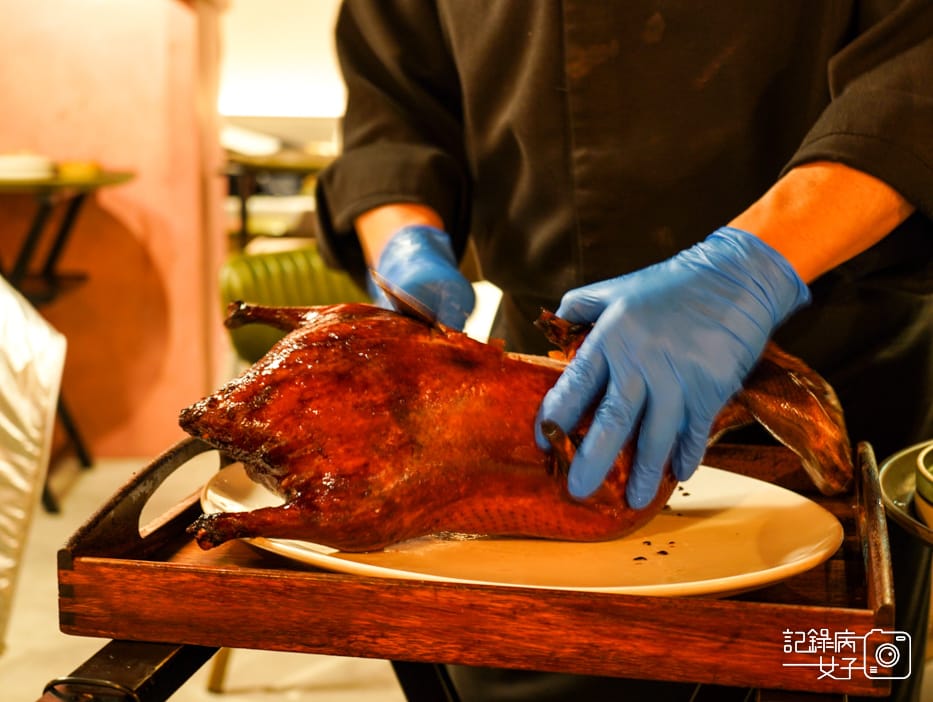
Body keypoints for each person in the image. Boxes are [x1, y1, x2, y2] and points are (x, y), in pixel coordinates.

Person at [314, 2, 933, 700]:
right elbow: (392, 105)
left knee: (829, 669)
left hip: (833, 357)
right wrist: (403, 239)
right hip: (537, 402)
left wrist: (753, 265)